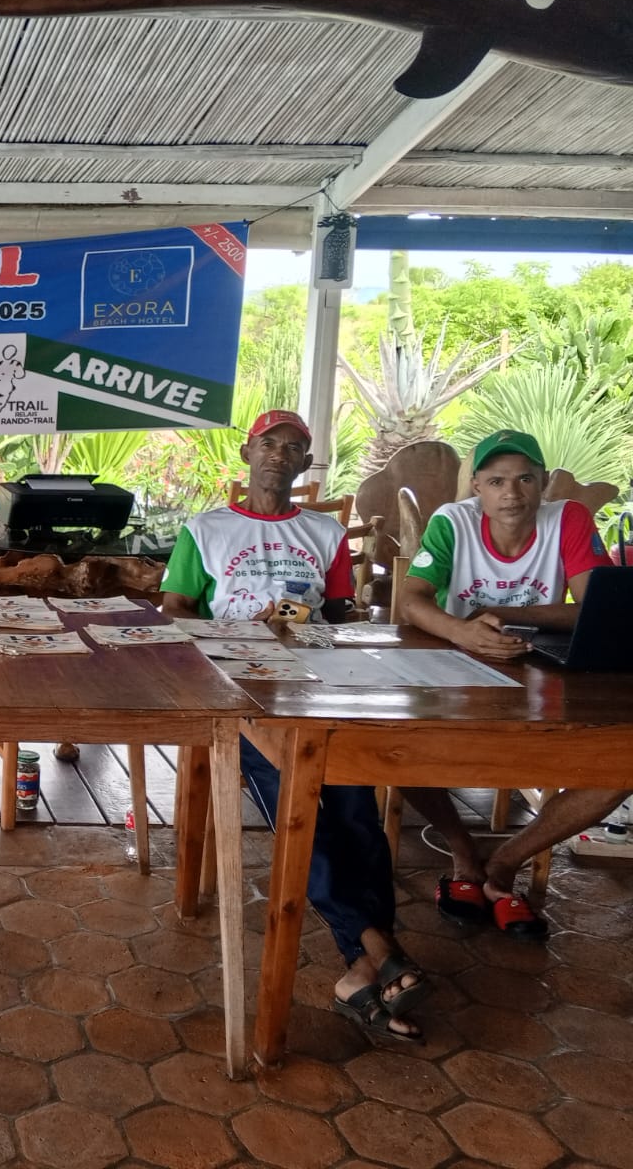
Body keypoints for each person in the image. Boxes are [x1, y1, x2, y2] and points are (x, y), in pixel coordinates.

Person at [161, 410, 429, 1044]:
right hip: (241, 693)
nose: (279, 455)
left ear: (306, 463)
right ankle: (375, 948)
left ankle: (366, 968)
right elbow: (174, 610)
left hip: (318, 686)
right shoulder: (205, 529)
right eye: (269, 444)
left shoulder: (324, 532)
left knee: (357, 811)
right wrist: (235, 632)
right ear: (248, 452)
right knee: (300, 812)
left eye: (293, 448)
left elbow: (336, 613)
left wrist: (331, 620)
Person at [398, 428, 623, 941]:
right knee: (393, 741)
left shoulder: (567, 518)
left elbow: (597, 607)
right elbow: (411, 600)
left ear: (542, 483)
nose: (512, 493)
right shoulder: (452, 522)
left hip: (544, 674)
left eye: (525, 479)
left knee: (622, 762)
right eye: (496, 481)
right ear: (477, 486)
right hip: (458, 669)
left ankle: (504, 862)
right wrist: (462, 631)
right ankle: (462, 851)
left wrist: (504, 612)